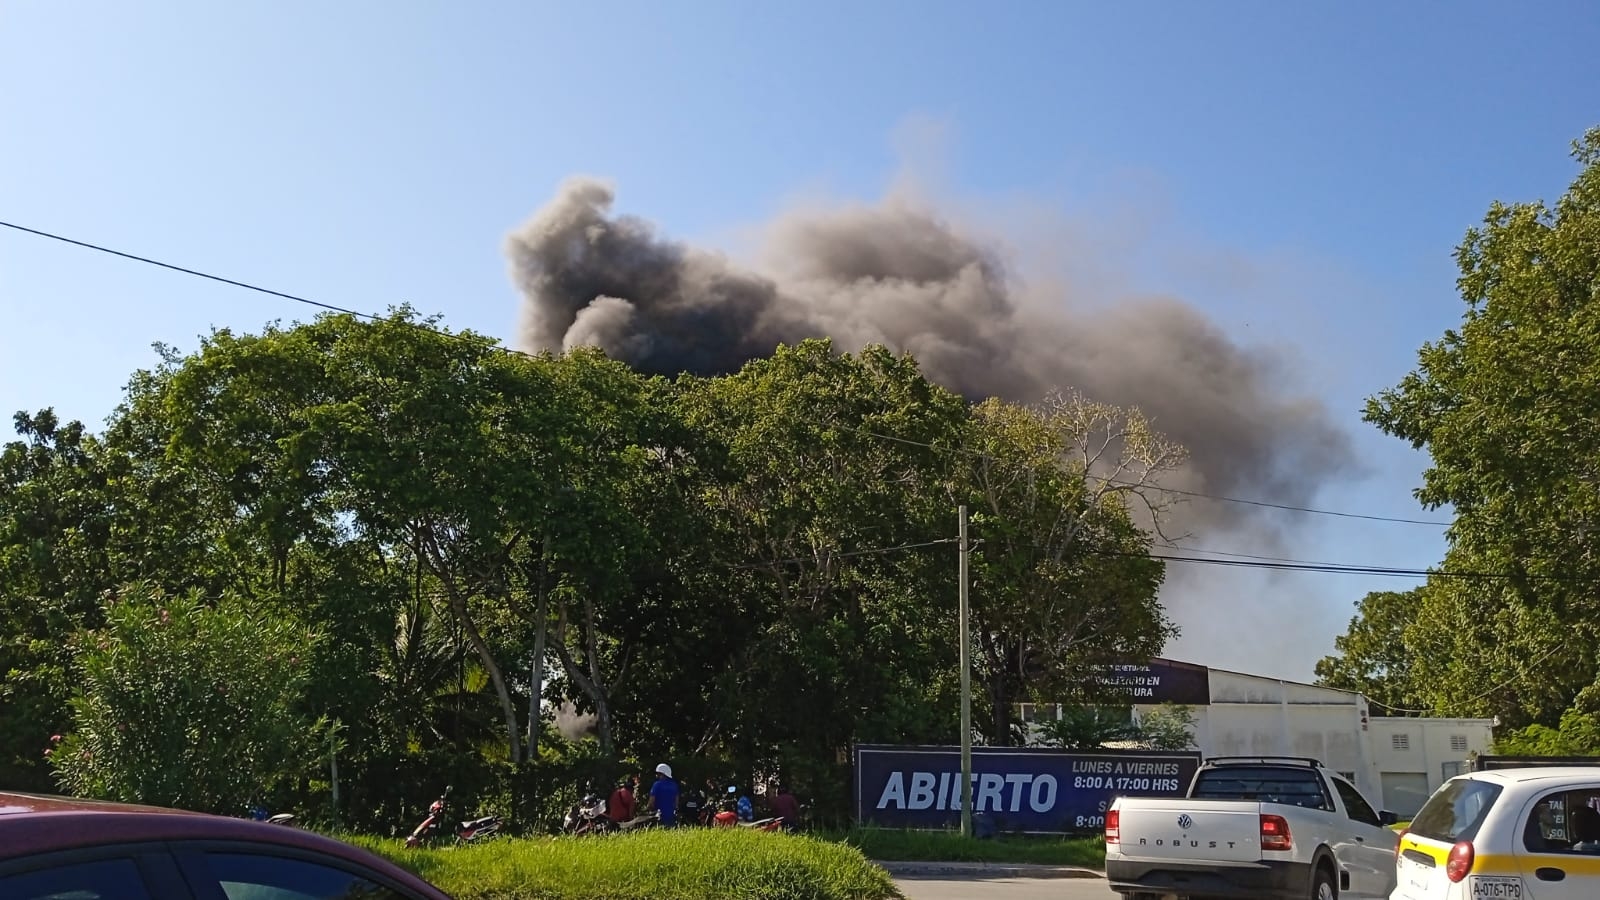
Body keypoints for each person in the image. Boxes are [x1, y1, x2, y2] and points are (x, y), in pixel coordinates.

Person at [648, 763, 680, 827]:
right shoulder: (674, 785)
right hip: (671, 818)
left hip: (659, 818)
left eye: (657, 773)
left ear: (662, 774)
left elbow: (651, 802)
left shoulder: (657, 785)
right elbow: (676, 804)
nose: (656, 775)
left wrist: (648, 810)